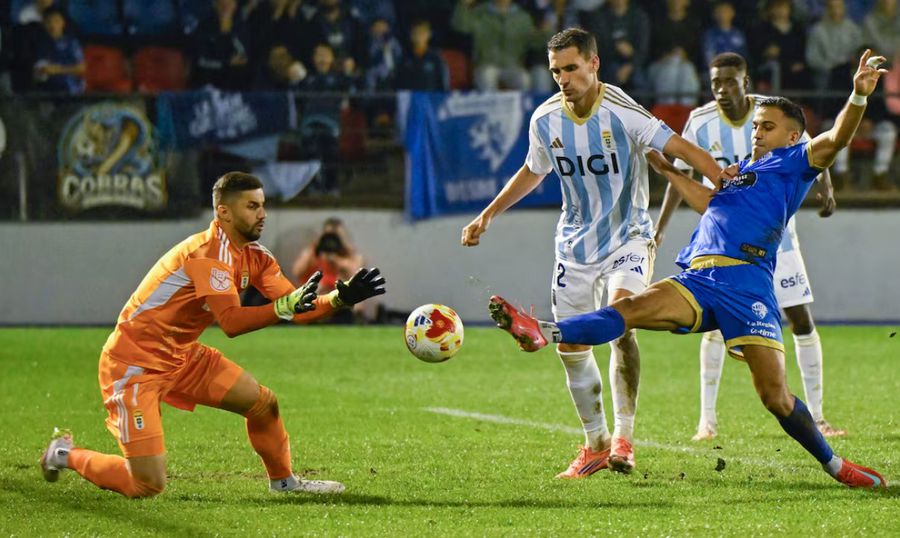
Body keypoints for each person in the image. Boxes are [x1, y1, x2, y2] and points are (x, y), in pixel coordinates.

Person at [488, 50, 889, 488]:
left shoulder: (795, 163)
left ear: (793, 136)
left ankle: (837, 467)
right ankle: (543, 331)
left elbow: (836, 139)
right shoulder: (742, 172)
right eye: (755, 126)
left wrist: (858, 95)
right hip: (699, 279)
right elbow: (708, 203)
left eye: (767, 127)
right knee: (630, 311)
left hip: (748, 284)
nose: (756, 133)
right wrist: (665, 170)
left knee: (774, 397)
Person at [461, 28, 724, 478]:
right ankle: (595, 442)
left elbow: (681, 147)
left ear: (593, 64)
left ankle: (624, 437)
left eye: (571, 68)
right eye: (556, 71)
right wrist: (488, 214)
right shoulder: (545, 119)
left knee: (623, 317)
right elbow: (533, 169)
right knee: (574, 347)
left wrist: (723, 182)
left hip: (629, 236)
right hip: (575, 246)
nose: (563, 78)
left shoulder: (623, 112)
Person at [39, 172, 386, 498]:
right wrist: (284, 307)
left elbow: (299, 307)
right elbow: (232, 322)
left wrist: (340, 299)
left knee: (263, 404)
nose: (262, 214)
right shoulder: (207, 254)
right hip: (134, 364)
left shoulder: (255, 257)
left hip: (182, 356)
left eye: (263, 205)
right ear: (224, 212)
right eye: (252, 206)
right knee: (146, 483)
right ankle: (64, 454)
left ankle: (285, 483)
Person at [654, 52, 845, 441]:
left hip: (776, 237)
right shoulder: (701, 121)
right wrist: (660, 228)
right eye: (716, 83)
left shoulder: (772, 114)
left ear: (746, 80)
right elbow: (686, 175)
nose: (723, 89)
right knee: (713, 325)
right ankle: (706, 420)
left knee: (801, 319)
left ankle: (819, 416)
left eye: (730, 80)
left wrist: (826, 189)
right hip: (726, 238)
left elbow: (813, 152)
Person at [292, 217, 379, 323]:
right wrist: (316, 247)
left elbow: (357, 272)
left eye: (336, 236)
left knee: (354, 286)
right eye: (329, 236)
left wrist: (337, 259)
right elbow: (297, 272)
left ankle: (356, 320)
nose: (331, 241)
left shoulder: (350, 256)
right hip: (315, 305)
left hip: (343, 308)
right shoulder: (313, 253)